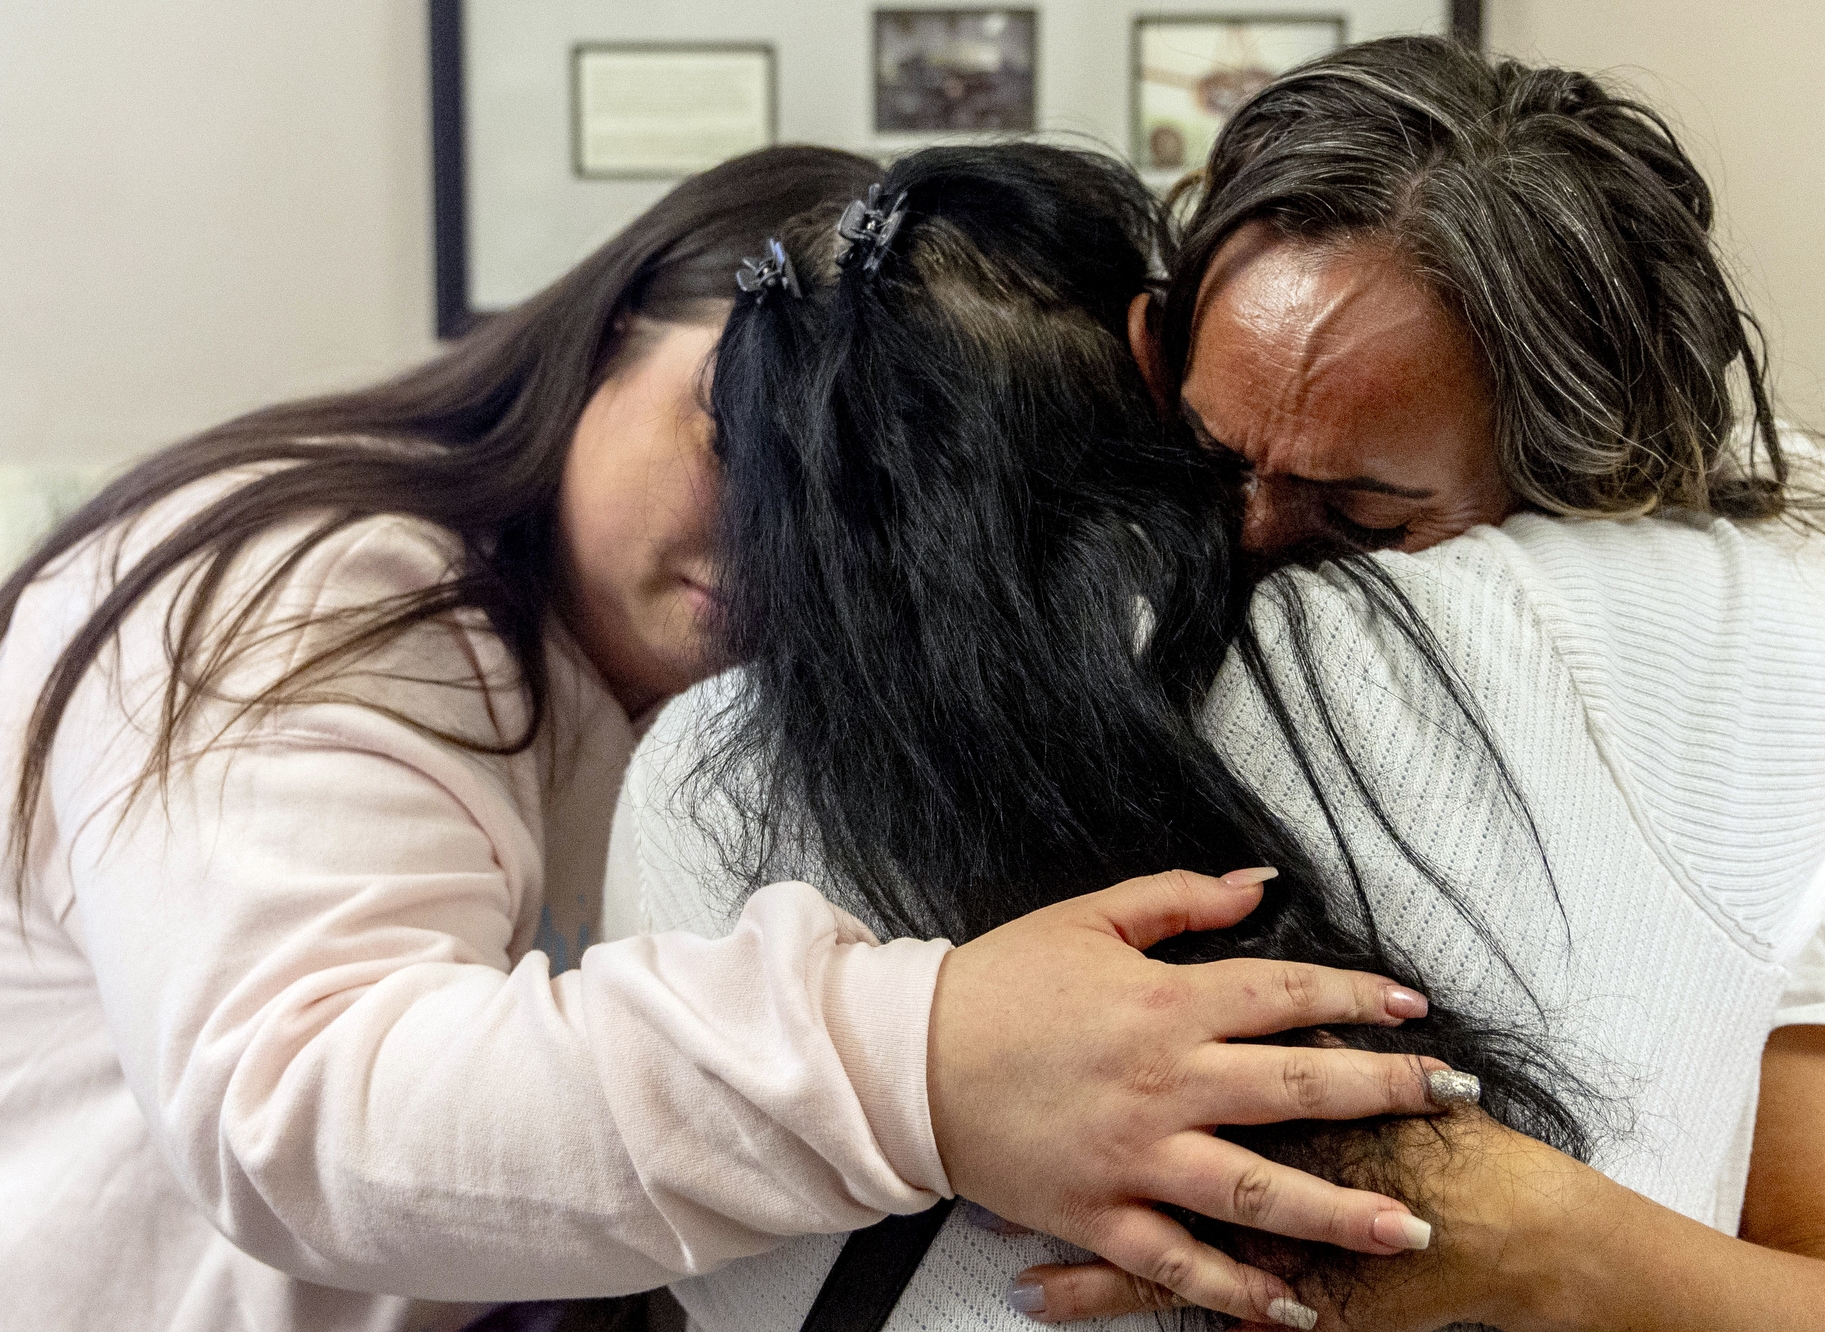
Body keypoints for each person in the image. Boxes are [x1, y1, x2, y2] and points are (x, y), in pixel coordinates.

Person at [0, 145, 1463, 1332]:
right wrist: (934, 1065)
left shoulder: (749, 720)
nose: (778, 549)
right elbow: (305, 1108)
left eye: (865, 517)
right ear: (622, 322)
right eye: (736, 440)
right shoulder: (316, 582)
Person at [612, 139, 1825, 1332]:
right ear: (1153, 356)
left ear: (1581, 496)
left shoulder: (699, 758)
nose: (1246, 542)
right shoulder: (1689, 679)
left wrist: (1545, 1238)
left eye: (1364, 520)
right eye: (1202, 459)